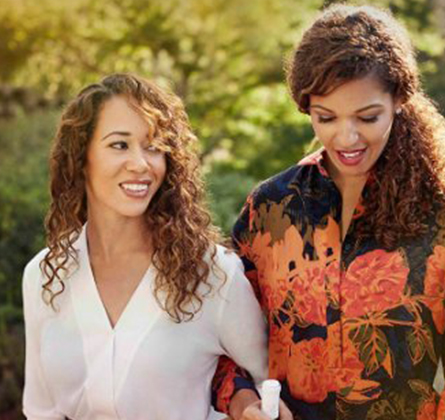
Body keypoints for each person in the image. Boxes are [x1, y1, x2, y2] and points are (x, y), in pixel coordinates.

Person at [212, 4, 445, 420]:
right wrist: (244, 404)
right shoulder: (269, 208)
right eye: (325, 117)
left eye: (367, 117)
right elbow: (221, 340)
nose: (346, 137)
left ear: (399, 99)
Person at [22, 73, 268, 420]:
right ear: (81, 157)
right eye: (119, 145)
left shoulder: (211, 274)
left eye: (154, 147)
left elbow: (269, 383)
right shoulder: (44, 276)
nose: (141, 164)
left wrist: (245, 403)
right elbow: (41, 411)